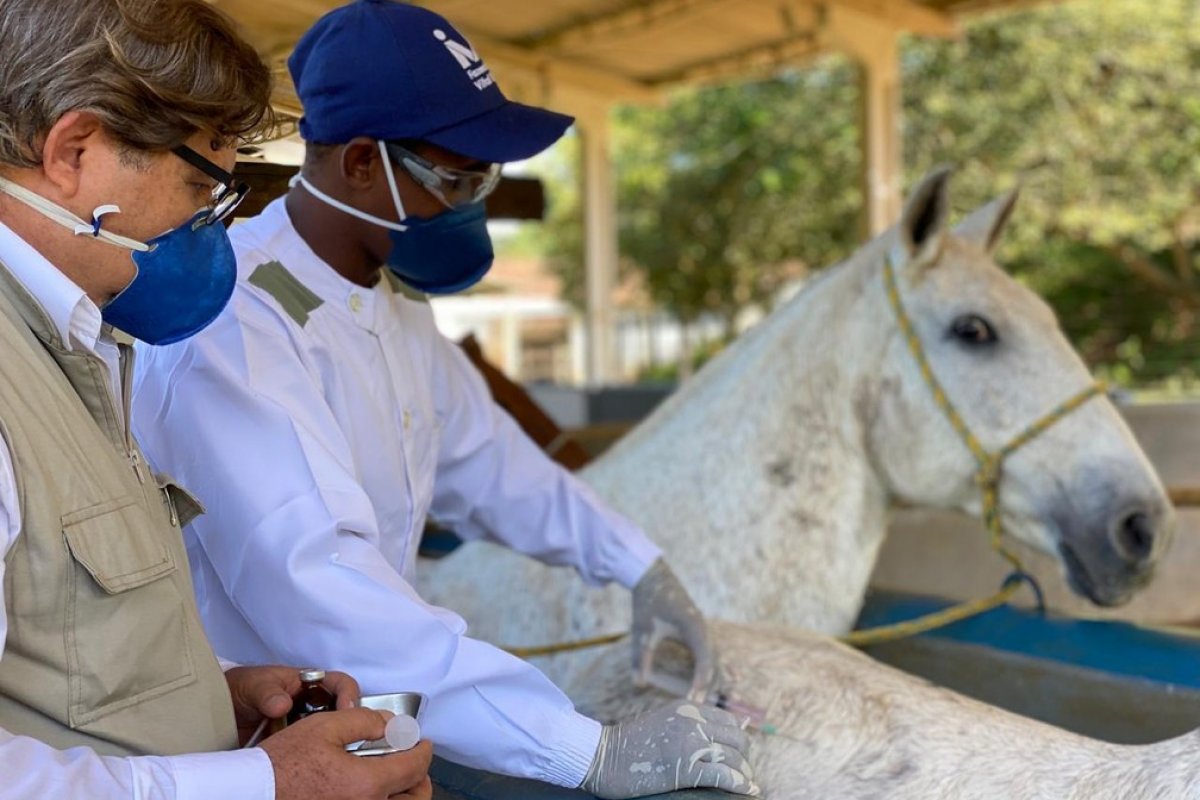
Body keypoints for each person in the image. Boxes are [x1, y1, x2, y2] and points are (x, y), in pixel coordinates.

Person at [131, 1, 757, 797]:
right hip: (250, 744)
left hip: (362, 718)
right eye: (458, 178)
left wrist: (638, 567)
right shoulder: (236, 320)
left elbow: (493, 465)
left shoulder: (390, 303)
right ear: (362, 163)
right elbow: (324, 583)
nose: (473, 206)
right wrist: (585, 750)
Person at [0, 1, 432, 798]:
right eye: (201, 184)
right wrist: (265, 784)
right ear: (73, 151)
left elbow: (47, 658)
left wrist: (212, 695)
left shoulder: (80, 346)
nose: (208, 224)